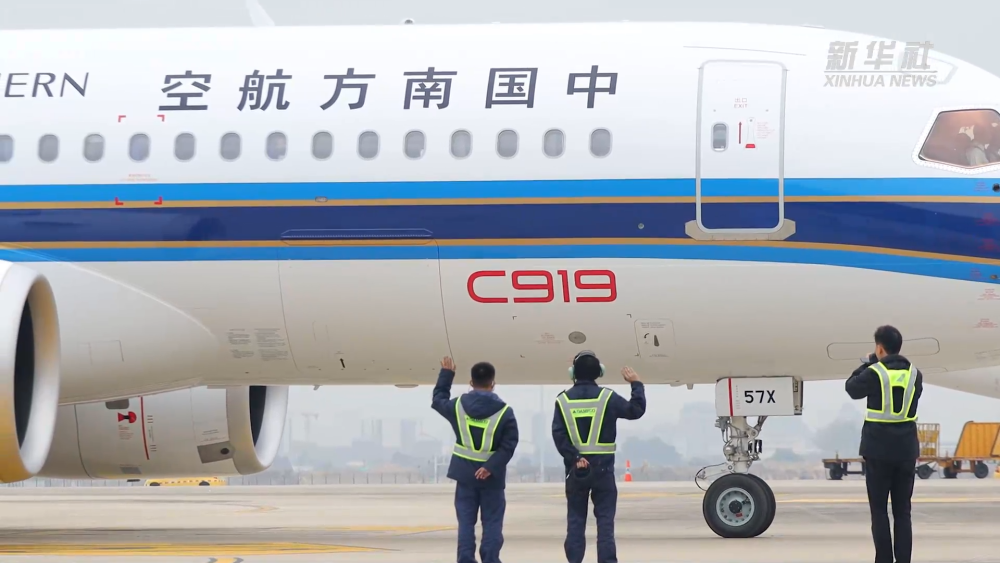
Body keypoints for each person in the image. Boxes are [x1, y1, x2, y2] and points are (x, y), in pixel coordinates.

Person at [551, 350, 646, 563]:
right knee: (605, 523)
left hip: (576, 470)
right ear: (599, 372)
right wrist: (636, 384)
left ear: (573, 373)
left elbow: (559, 435)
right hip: (603, 470)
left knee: (575, 521)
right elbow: (636, 410)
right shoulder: (608, 398)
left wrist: (576, 457)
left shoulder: (562, 400)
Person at [846, 325, 923, 563]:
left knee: (879, 511)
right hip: (906, 451)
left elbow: (851, 388)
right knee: (903, 512)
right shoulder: (915, 374)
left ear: (879, 348)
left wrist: (868, 363)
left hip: (878, 451)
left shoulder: (875, 372)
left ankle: (884, 560)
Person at [431, 356, 518, 563]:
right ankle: (490, 559)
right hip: (492, 479)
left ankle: (465, 559)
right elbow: (509, 445)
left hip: (465, 476)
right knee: (492, 524)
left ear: (471, 382)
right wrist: (490, 467)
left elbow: (438, 401)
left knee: (466, 525)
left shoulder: (458, 406)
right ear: (493, 383)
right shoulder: (505, 412)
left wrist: (447, 374)